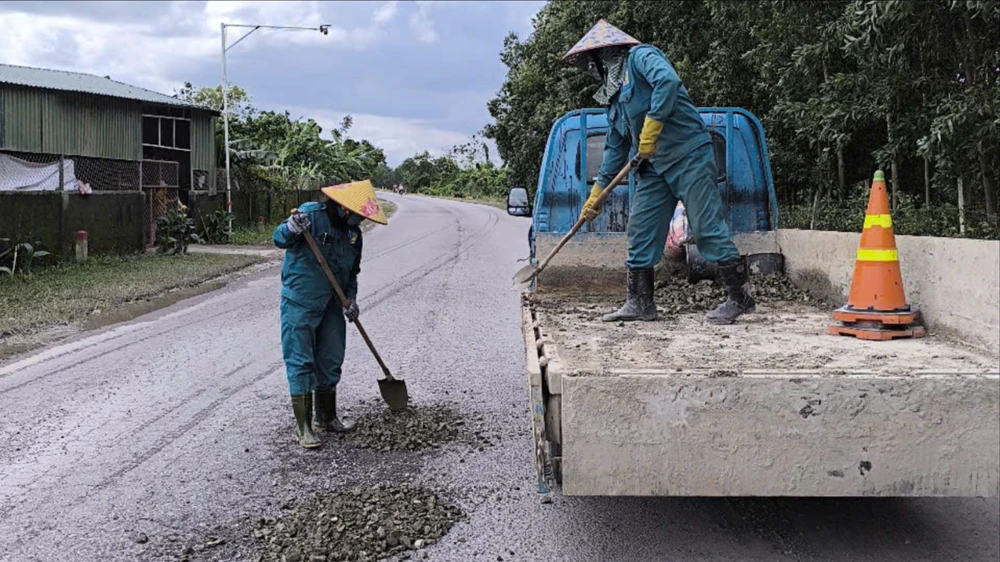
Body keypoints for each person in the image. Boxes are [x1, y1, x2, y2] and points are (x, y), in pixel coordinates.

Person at [565, 19, 755, 325]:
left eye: (594, 60)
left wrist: (651, 128)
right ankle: (640, 303)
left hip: (688, 155)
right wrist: (596, 196)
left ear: (608, 54)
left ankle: (739, 297)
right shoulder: (613, 103)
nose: (592, 68)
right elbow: (614, 151)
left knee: (706, 229)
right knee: (640, 231)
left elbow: (667, 82)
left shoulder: (642, 57)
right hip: (652, 168)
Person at [273, 180, 389, 448]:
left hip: (332, 306)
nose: (362, 221)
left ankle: (326, 417)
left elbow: (352, 273)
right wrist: (291, 228)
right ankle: (303, 428)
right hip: (300, 302)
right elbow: (279, 238)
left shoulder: (354, 236)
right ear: (345, 209)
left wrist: (351, 299)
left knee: (331, 358)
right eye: (360, 216)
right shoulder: (310, 215)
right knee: (301, 361)